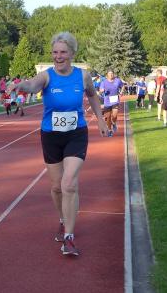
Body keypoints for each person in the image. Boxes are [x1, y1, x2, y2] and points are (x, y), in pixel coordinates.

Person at [9, 32, 108, 257]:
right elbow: (33, 85)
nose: (58, 56)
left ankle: (69, 237)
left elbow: (93, 95)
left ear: (72, 53)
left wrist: (100, 119)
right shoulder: (47, 76)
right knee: (56, 187)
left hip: (76, 134)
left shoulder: (83, 76)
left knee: (69, 184)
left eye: (63, 52)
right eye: (55, 52)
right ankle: (63, 220)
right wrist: (21, 85)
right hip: (51, 136)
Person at [99, 70, 123, 135]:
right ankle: (109, 130)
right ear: (107, 75)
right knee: (108, 117)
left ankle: (114, 123)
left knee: (115, 115)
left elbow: (123, 86)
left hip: (115, 100)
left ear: (113, 74)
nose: (111, 75)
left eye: (112, 73)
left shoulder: (117, 80)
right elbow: (100, 90)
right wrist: (101, 91)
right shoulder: (104, 82)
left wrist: (121, 92)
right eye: (109, 73)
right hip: (107, 101)